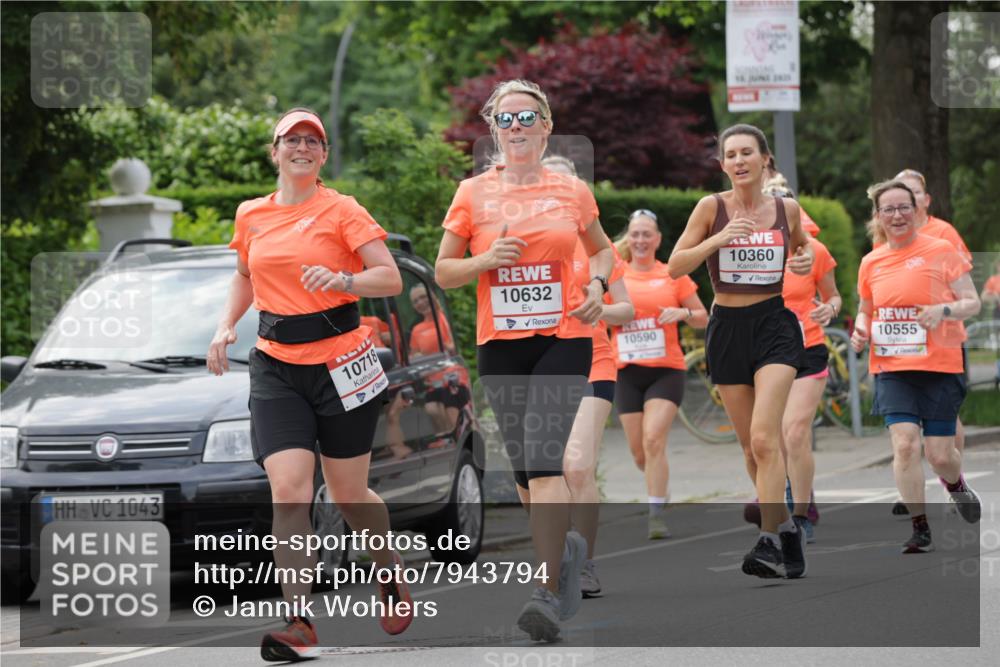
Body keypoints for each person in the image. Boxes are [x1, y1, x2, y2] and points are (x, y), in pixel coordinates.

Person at [207, 107, 410, 661]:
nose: (301, 148)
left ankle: (387, 572)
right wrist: (226, 324)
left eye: (312, 142)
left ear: (323, 156)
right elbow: (245, 275)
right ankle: (300, 621)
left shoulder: (342, 210)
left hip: (341, 366)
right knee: (290, 489)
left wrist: (344, 278)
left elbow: (388, 275)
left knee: (347, 494)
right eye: (291, 140)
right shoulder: (251, 215)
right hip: (275, 366)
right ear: (274, 152)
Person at [435, 80, 614, 641]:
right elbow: (444, 271)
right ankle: (564, 550)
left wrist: (599, 285)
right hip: (501, 343)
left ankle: (544, 588)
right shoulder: (471, 194)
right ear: (493, 131)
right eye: (506, 120)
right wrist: (485, 258)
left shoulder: (571, 191)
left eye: (527, 118)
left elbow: (602, 249)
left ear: (545, 127)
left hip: (564, 336)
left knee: (544, 459)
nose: (516, 128)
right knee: (526, 476)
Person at [668, 124, 813, 579]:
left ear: (765, 159)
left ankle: (767, 541)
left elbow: (805, 251)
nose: (738, 161)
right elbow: (674, 264)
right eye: (730, 155)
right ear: (722, 164)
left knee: (767, 438)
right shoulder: (710, 207)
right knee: (751, 448)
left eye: (747, 152)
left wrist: (804, 259)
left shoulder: (787, 209)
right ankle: (787, 529)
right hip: (727, 328)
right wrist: (718, 239)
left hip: (774, 326)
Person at [851, 179, 982, 553]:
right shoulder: (871, 260)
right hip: (892, 367)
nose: (897, 215)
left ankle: (957, 487)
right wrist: (861, 332)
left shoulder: (941, 250)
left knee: (939, 455)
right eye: (888, 209)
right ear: (877, 216)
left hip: (940, 365)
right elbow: (865, 310)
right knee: (905, 445)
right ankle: (919, 526)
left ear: (917, 209)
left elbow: (971, 302)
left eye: (903, 207)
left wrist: (941, 310)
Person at [542, 154, 634, 599]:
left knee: (578, 465)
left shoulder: (599, 248)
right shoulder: (529, 239)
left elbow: (627, 307)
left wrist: (600, 307)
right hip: (540, 361)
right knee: (544, 472)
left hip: (593, 357)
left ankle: (587, 565)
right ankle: (557, 557)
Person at [610, 209, 708, 540]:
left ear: (657, 239)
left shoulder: (673, 275)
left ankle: (655, 514)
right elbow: (597, 316)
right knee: (640, 452)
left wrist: (682, 312)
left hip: (666, 370)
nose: (640, 240)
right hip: (625, 371)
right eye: (635, 234)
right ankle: (659, 487)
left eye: (646, 234)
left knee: (654, 439)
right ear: (629, 237)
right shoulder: (614, 275)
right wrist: (615, 316)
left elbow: (703, 317)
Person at [889, 169, 973, 516]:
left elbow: (962, 285)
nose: (904, 202)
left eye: (912, 193)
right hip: (901, 346)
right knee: (904, 433)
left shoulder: (943, 233)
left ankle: (952, 482)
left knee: (946, 423)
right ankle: (909, 488)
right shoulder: (887, 236)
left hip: (944, 342)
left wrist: (942, 307)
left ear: (924, 199)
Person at [767, 177, 841, 543]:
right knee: (775, 436)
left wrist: (829, 308)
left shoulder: (815, 251)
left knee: (795, 431)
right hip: (764, 352)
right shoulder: (749, 250)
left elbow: (834, 296)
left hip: (808, 347)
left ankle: (801, 511)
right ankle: (793, 490)